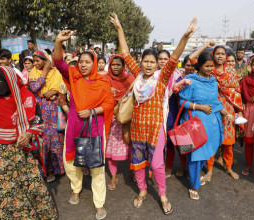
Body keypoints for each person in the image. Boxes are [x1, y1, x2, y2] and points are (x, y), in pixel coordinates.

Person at [111, 12, 199, 214]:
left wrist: (185, 36)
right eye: (145, 61)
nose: (149, 65)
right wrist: (119, 29)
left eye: (152, 62)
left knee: (158, 165)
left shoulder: (161, 78)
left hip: (155, 129)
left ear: (157, 64)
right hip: (137, 128)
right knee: (138, 163)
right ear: (140, 63)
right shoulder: (138, 77)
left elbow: (176, 55)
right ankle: (142, 190)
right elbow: (125, 53)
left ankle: (162, 195)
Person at [0, 66, 58, 219]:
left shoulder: (27, 98)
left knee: (33, 190)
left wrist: (29, 133)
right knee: (5, 197)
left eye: (0, 81)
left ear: (11, 81)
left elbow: (38, 122)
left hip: (23, 156)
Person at [53, 30, 114, 220]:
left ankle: (99, 203)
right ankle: (76, 189)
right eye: (81, 62)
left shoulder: (102, 81)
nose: (84, 65)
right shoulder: (74, 77)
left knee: (96, 166)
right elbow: (58, 62)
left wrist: (92, 112)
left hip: (94, 126)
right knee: (70, 162)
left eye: (88, 62)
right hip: (74, 126)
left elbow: (109, 104)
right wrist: (58, 41)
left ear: (94, 64)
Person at [179, 52, 226, 200]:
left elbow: (216, 102)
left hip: (211, 124)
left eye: (212, 66)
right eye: (207, 66)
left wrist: (228, 114)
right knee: (195, 155)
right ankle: (194, 185)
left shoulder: (213, 81)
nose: (210, 69)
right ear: (199, 65)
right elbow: (182, 102)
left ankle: (195, 175)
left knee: (206, 153)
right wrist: (201, 107)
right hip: (195, 124)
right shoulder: (190, 81)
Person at [205, 46, 243, 181]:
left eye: (222, 54)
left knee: (228, 143)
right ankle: (209, 169)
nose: (220, 56)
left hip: (229, 110)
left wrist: (239, 112)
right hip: (213, 109)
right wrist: (218, 106)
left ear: (225, 56)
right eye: (217, 54)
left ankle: (229, 167)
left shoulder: (231, 71)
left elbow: (237, 92)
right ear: (213, 55)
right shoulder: (208, 70)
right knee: (211, 141)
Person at [29, 50, 66, 182]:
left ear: (45, 60)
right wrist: (45, 70)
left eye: (37, 60)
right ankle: (46, 170)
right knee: (42, 139)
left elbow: (64, 88)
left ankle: (57, 169)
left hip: (55, 109)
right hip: (41, 109)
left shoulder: (57, 72)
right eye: (33, 61)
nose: (34, 63)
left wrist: (55, 91)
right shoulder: (34, 73)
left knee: (56, 138)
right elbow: (34, 87)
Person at [104, 55, 135, 190]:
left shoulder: (131, 79)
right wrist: (107, 90)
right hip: (110, 118)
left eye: (118, 65)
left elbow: (137, 95)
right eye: (113, 65)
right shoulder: (104, 79)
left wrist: (125, 99)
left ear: (124, 66)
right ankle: (114, 176)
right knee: (111, 148)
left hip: (127, 117)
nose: (115, 67)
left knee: (130, 144)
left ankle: (133, 169)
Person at [157, 49, 187, 178]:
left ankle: (181, 166)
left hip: (173, 110)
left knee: (175, 139)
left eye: (165, 59)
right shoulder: (153, 74)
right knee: (160, 140)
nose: (163, 61)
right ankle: (164, 166)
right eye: (160, 59)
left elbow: (183, 95)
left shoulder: (177, 76)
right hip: (158, 111)